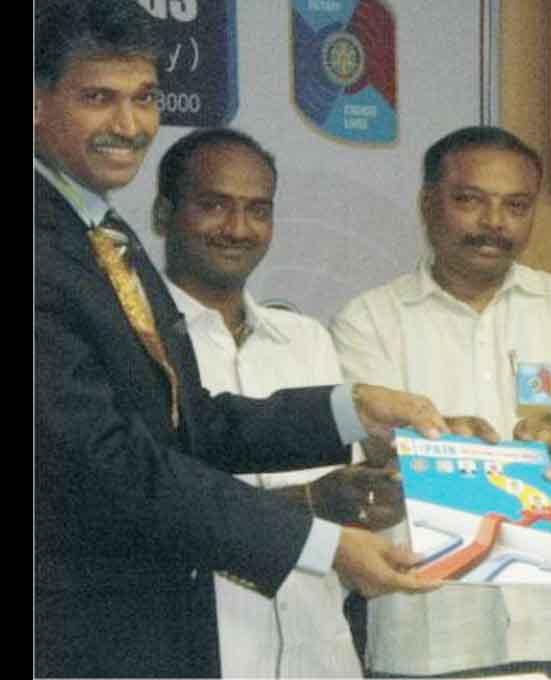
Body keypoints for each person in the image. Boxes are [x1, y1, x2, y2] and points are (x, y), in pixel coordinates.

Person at [34, 2, 453, 676]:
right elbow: (109, 465)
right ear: (37, 101)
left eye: (144, 98)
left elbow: (190, 423)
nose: (129, 126)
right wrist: (322, 543)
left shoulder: (103, 234)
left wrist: (352, 408)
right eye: (97, 98)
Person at [330, 126, 551, 678]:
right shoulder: (369, 318)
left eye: (516, 206)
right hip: (431, 629)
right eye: (470, 201)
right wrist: (438, 437)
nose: (494, 223)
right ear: (429, 204)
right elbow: (373, 445)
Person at [153, 127, 404, 677]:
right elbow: (158, 510)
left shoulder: (306, 339)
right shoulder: (140, 344)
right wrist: (310, 504)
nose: (238, 228)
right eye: (214, 205)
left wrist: (385, 490)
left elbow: (346, 502)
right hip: (205, 655)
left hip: (321, 654)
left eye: (258, 210)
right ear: (163, 214)